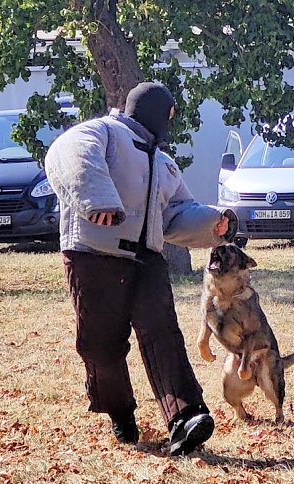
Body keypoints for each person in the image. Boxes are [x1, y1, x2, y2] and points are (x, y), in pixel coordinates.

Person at [45, 82, 237, 456]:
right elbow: (68, 154)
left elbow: (176, 214)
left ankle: (186, 417)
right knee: (101, 345)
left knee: (163, 334)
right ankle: (119, 412)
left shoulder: (164, 163)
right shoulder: (101, 133)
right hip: (93, 254)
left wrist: (215, 223)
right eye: (168, 115)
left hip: (147, 260)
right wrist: (97, 200)